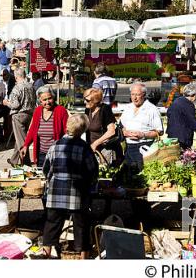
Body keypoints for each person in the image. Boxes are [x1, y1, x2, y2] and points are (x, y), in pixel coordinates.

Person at [42, 113, 98, 259]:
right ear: (83, 130)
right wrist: (90, 183)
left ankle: (45, 253)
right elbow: (92, 170)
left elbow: (46, 169)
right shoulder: (84, 148)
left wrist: (50, 180)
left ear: (67, 127)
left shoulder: (55, 145)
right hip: (77, 193)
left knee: (52, 223)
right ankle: (83, 255)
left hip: (56, 191)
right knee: (81, 225)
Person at [20, 86, 68, 167]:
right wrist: (25, 145)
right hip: (41, 154)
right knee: (41, 177)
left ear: (53, 97)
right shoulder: (38, 111)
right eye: (44, 100)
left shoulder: (61, 111)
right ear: (40, 101)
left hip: (57, 153)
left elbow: (67, 131)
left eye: (49, 98)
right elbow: (32, 131)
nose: (47, 102)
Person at [120, 83, 163, 171]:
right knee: (129, 175)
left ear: (143, 95)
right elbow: (122, 125)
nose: (134, 98)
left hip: (145, 147)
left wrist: (143, 135)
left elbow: (159, 131)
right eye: (132, 94)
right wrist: (125, 132)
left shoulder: (152, 109)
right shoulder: (128, 108)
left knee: (142, 173)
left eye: (137, 95)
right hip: (129, 147)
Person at [3, 68, 36, 166]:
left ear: (16, 76)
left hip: (19, 116)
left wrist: (6, 103)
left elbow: (15, 105)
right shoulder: (31, 86)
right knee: (20, 138)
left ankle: (26, 163)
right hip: (29, 114)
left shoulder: (17, 88)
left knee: (22, 141)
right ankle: (14, 160)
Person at [83, 87, 122, 165]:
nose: (84, 102)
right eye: (84, 99)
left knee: (104, 172)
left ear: (96, 101)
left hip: (106, 149)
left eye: (87, 100)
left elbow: (111, 131)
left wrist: (95, 144)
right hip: (92, 149)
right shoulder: (88, 110)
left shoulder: (105, 109)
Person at [167, 83, 196, 150]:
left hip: (172, 135)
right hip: (183, 137)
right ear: (194, 95)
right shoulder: (189, 104)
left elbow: (168, 113)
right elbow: (193, 122)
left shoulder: (176, 101)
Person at [0, 68, 15, 144]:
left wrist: (7, 102)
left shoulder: (13, 82)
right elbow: (0, 96)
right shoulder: (1, 83)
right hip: (2, 104)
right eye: (1, 75)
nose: (3, 77)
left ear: (8, 74)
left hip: (9, 105)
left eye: (4, 75)